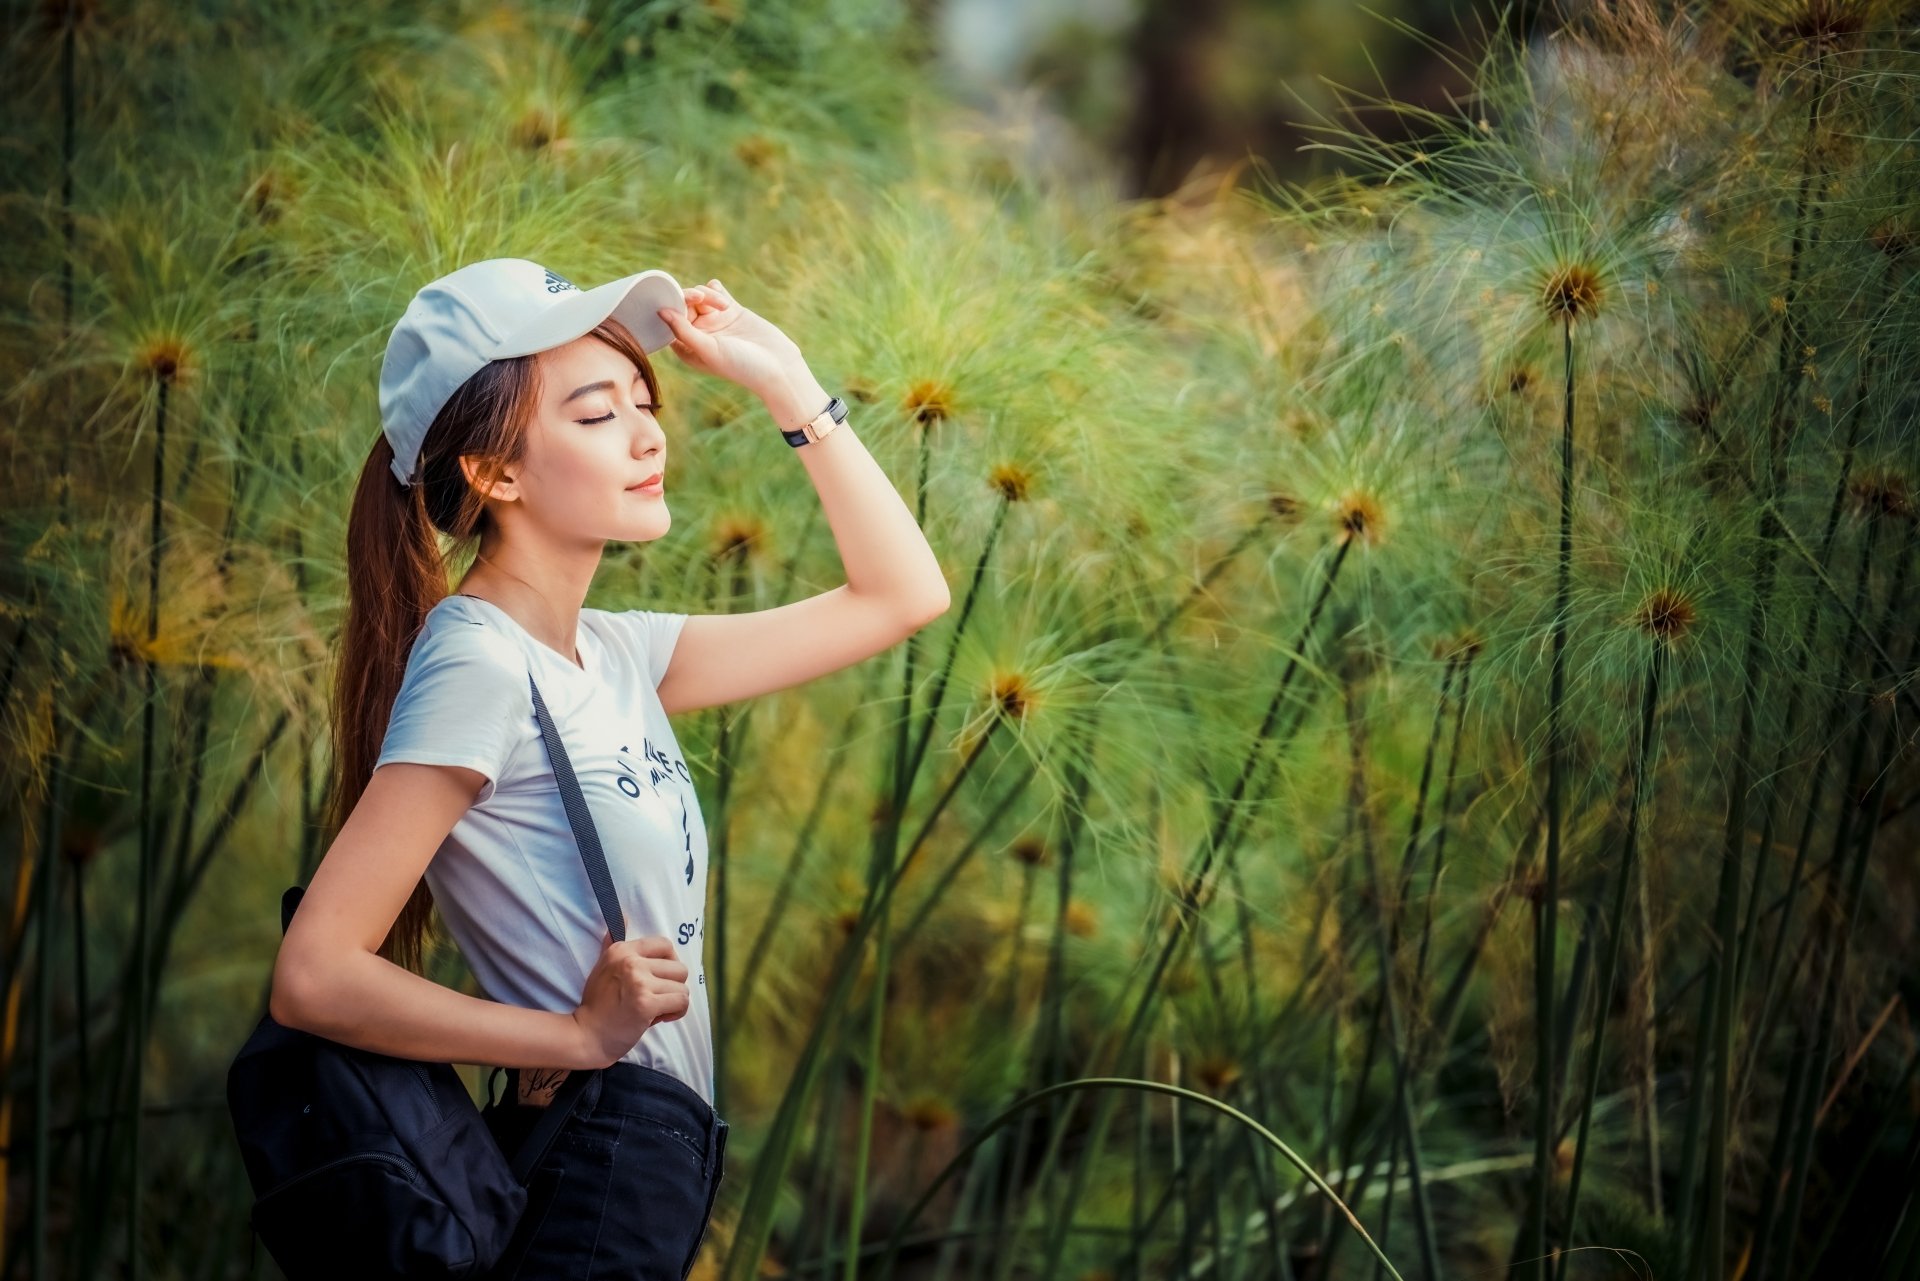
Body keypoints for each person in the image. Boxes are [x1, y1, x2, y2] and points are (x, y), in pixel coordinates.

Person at [268, 258, 951, 1280]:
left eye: (645, 401)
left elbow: (900, 595)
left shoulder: (615, 654)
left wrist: (788, 381)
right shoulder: (478, 660)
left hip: (656, 1169)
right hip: (590, 1171)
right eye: (596, 416)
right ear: (493, 473)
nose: (646, 435)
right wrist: (579, 1036)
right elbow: (315, 975)